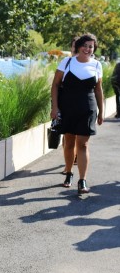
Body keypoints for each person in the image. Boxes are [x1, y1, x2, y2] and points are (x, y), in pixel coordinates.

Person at [51, 33, 104, 194]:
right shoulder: (67, 62)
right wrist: (55, 108)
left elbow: (98, 89)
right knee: (69, 143)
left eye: (91, 46)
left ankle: (82, 180)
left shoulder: (96, 65)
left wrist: (101, 111)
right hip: (67, 108)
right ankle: (68, 173)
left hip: (88, 109)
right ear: (79, 46)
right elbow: (55, 85)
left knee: (83, 144)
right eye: (86, 45)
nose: (88, 49)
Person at [61, 36, 80, 175]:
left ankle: (77, 158)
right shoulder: (66, 62)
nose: (75, 48)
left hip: (82, 106)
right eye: (74, 45)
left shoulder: (89, 63)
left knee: (80, 137)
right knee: (66, 137)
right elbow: (57, 83)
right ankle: (67, 165)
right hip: (66, 104)